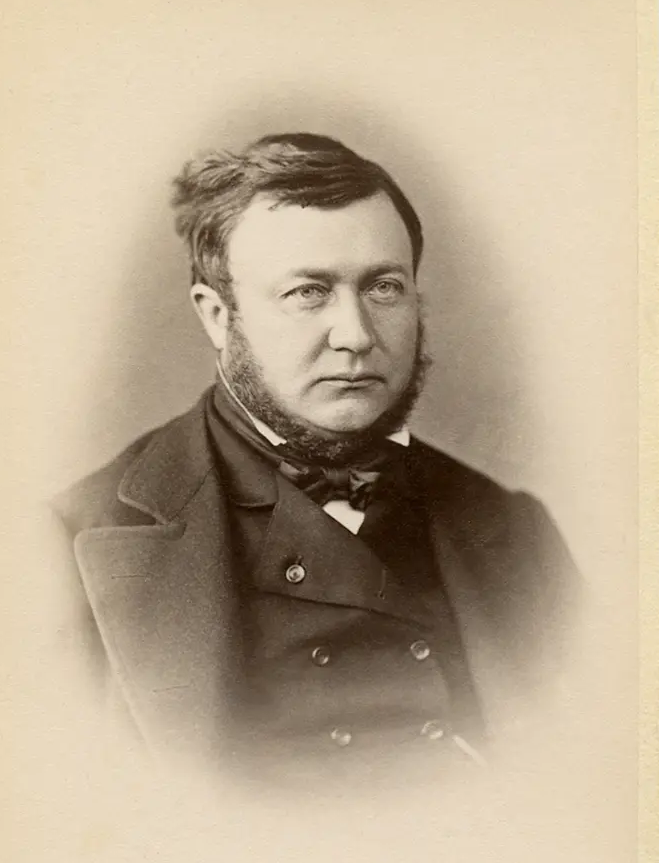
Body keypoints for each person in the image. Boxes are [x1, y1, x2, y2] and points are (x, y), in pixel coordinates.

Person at [56, 133, 580, 782]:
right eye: (307, 292)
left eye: (384, 287)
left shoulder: (516, 530)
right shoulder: (63, 547)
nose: (356, 336)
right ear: (218, 316)